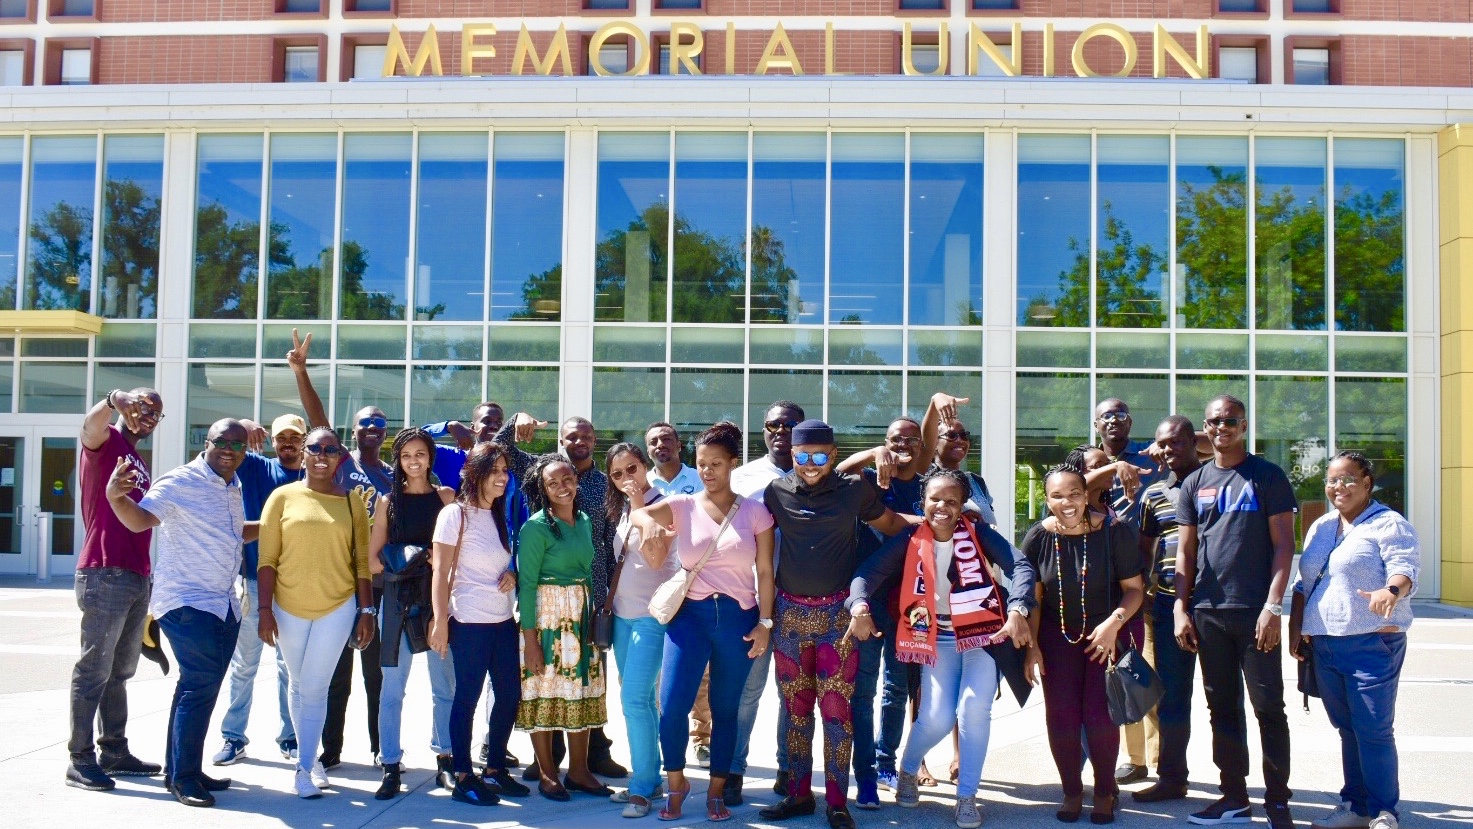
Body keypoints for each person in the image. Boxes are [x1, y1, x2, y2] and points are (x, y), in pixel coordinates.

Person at [845, 468, 1036, 829]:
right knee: (936, 717)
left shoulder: (979, 533)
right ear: (923, 502)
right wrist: (858, 606)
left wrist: (1018, 607)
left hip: (984, 634)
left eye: (952, 500)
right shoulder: (909, 539)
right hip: (936, 638)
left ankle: (967, 797)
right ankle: (907, 768)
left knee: (973, 709)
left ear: (963, 504)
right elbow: (866, 574)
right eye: (935, 499)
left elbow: (1021, 565)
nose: (943, 507)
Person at [759, 419, 917, 829]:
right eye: (802, 457)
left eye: (820, 456)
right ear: (792, 456)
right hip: (790, 615)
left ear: (832, 455)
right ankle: (796, 796)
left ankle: (836, 802)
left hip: (838, 619)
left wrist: (934, 527)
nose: (811, 465)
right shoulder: (775, 493)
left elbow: (894, 528)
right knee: (795, 710)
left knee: (836, 711)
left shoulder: (854, 492)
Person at [102, 419, 259, 808]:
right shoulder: (180, 482)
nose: (230, 450)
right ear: (206, 443)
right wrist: (117, 499)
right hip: (187, 603)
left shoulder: (232, 484)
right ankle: (184, 778)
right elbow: (140, 520)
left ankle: (183, 768)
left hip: (223, 603)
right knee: (199, 686)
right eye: (222, 442)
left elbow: (233, 532)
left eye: (238, 445)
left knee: (197, 689)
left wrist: (278, 524)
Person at [632, 422, 777, 822]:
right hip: (689, 617)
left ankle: (716, 791)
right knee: (672, 706)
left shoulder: (756, 512)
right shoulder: (683, 505)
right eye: (702, 464)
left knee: (725, 709)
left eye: (716, 463)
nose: (709, 471)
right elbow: (642, 513)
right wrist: (645, 522)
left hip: (738, 619)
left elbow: (765, 572)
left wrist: (765, 623)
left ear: (733, 464)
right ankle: (676, 784)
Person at [1174, 394, 1297, 829]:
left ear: (1244, 425)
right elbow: (1185, 553)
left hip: (1254, 610)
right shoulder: (1194, 482)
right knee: (1221, 708)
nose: (1221, 427)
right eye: (1214, 421)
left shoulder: (1267, 475)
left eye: (1230, 420)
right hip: (1207, 610)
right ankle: (1234, 798)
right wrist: (1179, 608)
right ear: (1205, 429)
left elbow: (1285, 546)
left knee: (1268, 707)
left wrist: (1273, 606)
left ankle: (1278, 801)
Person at [836, 393, 958, 805]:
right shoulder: (871, 480)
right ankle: (865, 769)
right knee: (865, 686)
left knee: (897, 689)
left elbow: (922, 444)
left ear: (921, 448)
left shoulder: (927, 484)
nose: (901, 445)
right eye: (893, 439)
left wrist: (932, 406)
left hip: (912, 602)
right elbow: (836, 473)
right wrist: (871, 453)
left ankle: (887, 760)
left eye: (909, 440)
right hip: (868, 599)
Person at [1290, 452, 1419, 829]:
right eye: (1332, 480)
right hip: (1325, 645)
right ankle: (1356, 808)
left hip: (1371, 643)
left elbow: (1404, 566)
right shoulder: (1322, 526)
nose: (1338, 487)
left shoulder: (1389, 524)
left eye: (1348, 480)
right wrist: (1297, 628)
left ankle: (1384, 813)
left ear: (1367, 484)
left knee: (1373, 731)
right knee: (1347, 730)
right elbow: (1304, 582)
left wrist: (1391, 591)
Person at [499, 413, 628, 780]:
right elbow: (503, 448)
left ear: (594, 438)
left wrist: (603, 597)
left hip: (589, 594)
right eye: (571, 437)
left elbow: (606, 542)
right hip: (549, 599)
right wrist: (516, 421)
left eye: (586, 435)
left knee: (587, 680)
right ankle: (548, 761)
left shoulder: (606, 484)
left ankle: (592, 759)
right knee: (549, 681)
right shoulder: (544, 471)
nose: (579, 442)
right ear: (561, 440)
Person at [1021, 463, 1145, 826]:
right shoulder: (1038, 538)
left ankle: (1105, 792)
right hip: (1056, 642)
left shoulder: (1114, 531)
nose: (1068, 502)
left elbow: (1135, 590)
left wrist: (1113, 625)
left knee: (1100, 718)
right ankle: (1072, 792)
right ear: (1047, 500)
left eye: (1074, 493)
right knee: (1060, 719)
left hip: (1105, 639)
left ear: (1086, 493)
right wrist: (1032, 647)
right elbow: (1034, 599)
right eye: (1057, 496)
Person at [289, 329, 390, 769]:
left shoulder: (394, 475)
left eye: (378, 423)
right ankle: (329, 751)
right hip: (337, 578)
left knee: (376, 674)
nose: (370, 427)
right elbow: (317, 421)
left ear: (386, 434)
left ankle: (378, 748)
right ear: (355, 431)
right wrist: (301, 371)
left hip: (378, 583)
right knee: (334, 673)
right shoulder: (340, 461)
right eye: (364, 422)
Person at [257, 427, 376, 799]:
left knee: (315, 685)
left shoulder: (352, 501)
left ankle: (303, 768)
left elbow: (361, 560)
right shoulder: (281, 497)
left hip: (337, 605)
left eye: (330, 449)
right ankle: (313, 760)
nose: (322, 454)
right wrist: (264, 610)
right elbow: (266, 559)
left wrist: (366, 608)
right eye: (315, 448)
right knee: (297, 683)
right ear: (304, 454)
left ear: (340, 456)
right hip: (287, 605)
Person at [67, 386, 165, 792]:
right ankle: (80, 758)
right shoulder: (106, 442)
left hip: (136, 576)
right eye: (142, 407)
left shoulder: (137, 458)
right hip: (104, 572)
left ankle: (114, 750)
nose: (147, 415)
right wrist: (111, 400)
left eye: (155, 413)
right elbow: (88, 429)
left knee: (120, 672)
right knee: (93, 669)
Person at [430, 441, 529, 806]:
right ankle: (463, 776)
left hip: (503, 619)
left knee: (508, 695)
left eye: (505, 471)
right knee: (467, 699)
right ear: (476, 474)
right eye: (495, 471)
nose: (503, 478)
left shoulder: (499, 513)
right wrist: (440, 621)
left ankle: (495, 768)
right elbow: (440, 573)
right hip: (469, 621)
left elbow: (504, 561)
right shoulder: (455, 514)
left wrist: (512, 575)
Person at [516, 453, 612, 801]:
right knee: (543, 691)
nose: (562, 487)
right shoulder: (536, 527)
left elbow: (588, 571)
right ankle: (546, 772)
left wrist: (590, 617)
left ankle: (580, 771)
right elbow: (526, 585)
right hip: (545, 618)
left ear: (576, 480)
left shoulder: (585, 520)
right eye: (552, 482)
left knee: (583, 690)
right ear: (543, 488)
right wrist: (530, 642)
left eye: (567, 479)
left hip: (581, 614)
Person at [214, 413, 306, 766]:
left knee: (289, 667)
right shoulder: (256, 468)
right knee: (245, 664)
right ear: (272, 441)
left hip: (294, 586)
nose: (288, 443)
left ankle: (290, 736)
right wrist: (243, 421)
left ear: (303, 440)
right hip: (254, 582)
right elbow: (225, 440)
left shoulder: (315, 474)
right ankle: (233, 737)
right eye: (281, 437)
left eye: (294, 438)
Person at [370, 429, 457, 800]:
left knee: (444, 688)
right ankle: (390, 765)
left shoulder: (446, 497)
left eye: (420, 454)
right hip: (397, 602)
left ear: (430, 457)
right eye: (406, 455)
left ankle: (446, 761)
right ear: (398, 461)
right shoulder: (387, 501)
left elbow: (456, 555)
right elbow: (373, 560)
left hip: (437, 602)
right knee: (392, 690)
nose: (414, 461)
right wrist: (417, 558)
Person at [729, 400, 805, 802]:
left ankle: (787, 767)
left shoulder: (815, 474)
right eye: (773, 424)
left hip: (801, 603)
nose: (780, 431)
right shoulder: (743, 478)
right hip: (752, 604)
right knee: (747, 692)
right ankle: (735, 770)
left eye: (789, 425)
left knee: (792, 692)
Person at [603, 442, 679, 816]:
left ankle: (642, 787)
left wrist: (638, 507)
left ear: (645, 466)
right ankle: (650, 778)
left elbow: (655, 558)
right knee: (641, 700)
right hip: (621, 616)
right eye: (617, 474)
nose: (626, 479)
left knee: (635, 699)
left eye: (631, 469)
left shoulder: (663, 504)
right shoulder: (619, 509)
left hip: (652, 617)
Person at [1093, 399, 1166, 787]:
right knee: (1122, 674)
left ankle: (1160, 760)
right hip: (1103, 588)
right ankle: (1136, 759)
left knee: (1145, 671)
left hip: (1148, 585)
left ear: (1131, 422)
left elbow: (1205, 446)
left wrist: (1163, 443)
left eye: (1120, 415)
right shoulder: (1086, 461)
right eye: (1106, 416)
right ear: (1096, 424)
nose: (1113, 421)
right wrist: (1111, 467)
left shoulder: (1150, 458)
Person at [931, 419, 997, 527]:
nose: (960, 440)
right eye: (951, 435)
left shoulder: (976, 481)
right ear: (934, 443)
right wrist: (959, 519)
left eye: (963, 435)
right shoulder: (928, 481)